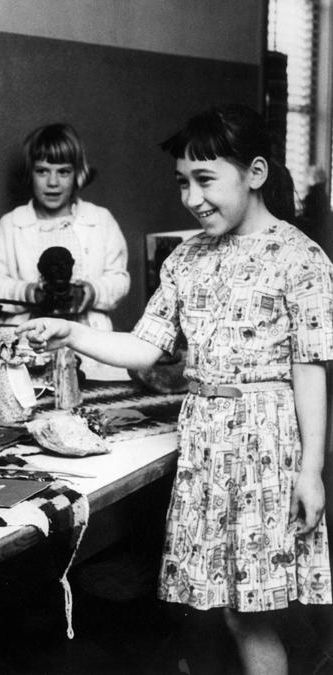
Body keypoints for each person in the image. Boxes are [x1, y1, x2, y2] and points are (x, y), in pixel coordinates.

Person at [17, 104, 333, 675]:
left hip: (266, 450)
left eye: (206, 180)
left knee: (251, 613)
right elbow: (144, 348)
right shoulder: (185, 258)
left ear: (255, 173)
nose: (191, 198)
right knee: (208, 607)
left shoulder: (300, 257)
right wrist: (71, 332)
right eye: (183, 182)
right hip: (204, 448)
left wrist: (311, 471)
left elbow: (310, 370)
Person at [0, 123, 130, 332]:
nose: (53, 182)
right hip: (31, 335)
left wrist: (92, 292)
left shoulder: (100, 220)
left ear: (77, 173)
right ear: (29, 173)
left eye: (63, 172)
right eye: (42, 171)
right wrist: (28, 292)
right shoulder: (10, 225)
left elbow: (119, 279)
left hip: (88, 336)